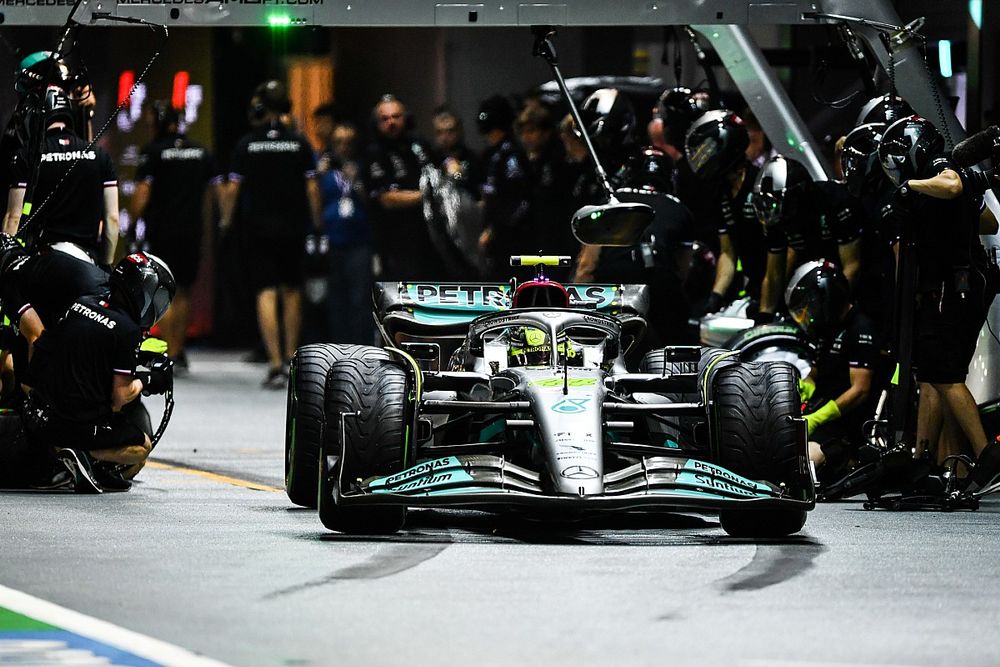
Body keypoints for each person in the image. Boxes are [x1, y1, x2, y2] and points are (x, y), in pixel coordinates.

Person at [877, 116, 1000, 490]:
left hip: (957, 287)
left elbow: (952, 185)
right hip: (955, 287)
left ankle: (987, 457)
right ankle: (923, 458)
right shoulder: (935, 188)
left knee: (945, 375)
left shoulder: (937, 171)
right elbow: (989, 222)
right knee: (930, 374)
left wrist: (910, 188)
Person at [25, 252, 176, 492]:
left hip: (37, 415)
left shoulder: (82, 302)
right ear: (141, 291)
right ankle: (81, 455)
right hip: (71, 425)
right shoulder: (127, 329)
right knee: (141, 446)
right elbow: (119, 396)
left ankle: (76, 461)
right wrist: (148, 379)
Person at [222, 80, 322, 388]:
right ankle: (293, 359)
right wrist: (317, 224)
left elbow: (232, 189)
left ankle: (276, 364)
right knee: (292, 290)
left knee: (265, 291)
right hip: (293, 227)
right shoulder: (300, 143)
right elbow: (312, 188)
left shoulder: (247, 144)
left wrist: (226, 222)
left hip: (258, 228)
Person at [131, 101, 223, 373]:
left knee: (164, 293)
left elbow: (142, 193)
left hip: (162, 232)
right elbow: (215, 189)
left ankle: (169, 353)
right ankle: (179, 350)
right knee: (184, 291)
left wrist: (131, 223)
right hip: (192, 231)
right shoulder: (200, 152)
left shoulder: (153, 152)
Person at [3, 85, 119, 267]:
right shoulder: (100, 156)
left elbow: (13, 218)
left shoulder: (27, 156)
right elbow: (112, 219)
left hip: (42, 264)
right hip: (87, 266)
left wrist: (7, 266)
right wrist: (106, 265)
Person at [786, 261, 880, 481]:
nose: (806, 315)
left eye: (808, 307)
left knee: (802, 456)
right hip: (816, 412)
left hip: (843, 422)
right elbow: (817, 370)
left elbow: (860, 390)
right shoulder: (827, 327)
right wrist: (805, 384)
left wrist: (819, 417)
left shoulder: (860, 328)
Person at [751, 155, 866, 316]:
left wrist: (829, 311)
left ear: (797, 198)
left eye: (778, 204)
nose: (772, 212)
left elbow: (852, 266)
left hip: (853, 284)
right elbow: (774, 274)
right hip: (811, 277)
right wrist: (764, 317)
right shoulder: (774, 218)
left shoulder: (837, 202)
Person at [685, 109, 769, 320]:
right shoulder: (721, 192)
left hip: (777, 290)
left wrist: (768, 308)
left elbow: (780, 254)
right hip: (753, 292)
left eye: (706, 150)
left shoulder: (762, 186)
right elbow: (728, 252)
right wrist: (716, 296)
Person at [361, 94, 439, 281]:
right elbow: (387, 199)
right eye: (385, 119)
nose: (391, 123)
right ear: (376, 123)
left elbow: (439, 170)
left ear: (406, 118)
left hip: (428, 235)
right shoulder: (374, 152)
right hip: (394, 240)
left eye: (396, 117)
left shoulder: (419, 144)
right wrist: (428, 196)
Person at [313, 107, 372, 345]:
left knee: (359, 299)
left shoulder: (363, 166)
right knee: (334, 299)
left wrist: (356, 181)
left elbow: (372, 202)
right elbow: (312, 199)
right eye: (339, 141)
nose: (344, 147)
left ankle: (361, 347)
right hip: (331, 239)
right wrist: (317, 176)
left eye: (348, 142)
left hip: (359, 241)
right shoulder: (322, 166)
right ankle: (337, 347)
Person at [477, 95, 532, 278]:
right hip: (495, 236)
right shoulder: (490, 154)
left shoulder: (511, 155)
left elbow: (519, 200)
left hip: (511, 239)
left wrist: (495, 229)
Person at [516, 104, 575, 269]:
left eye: (532, 131)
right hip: (534, 238)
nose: (526, 138)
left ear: (546, 132)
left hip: (557, 239)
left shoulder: (560, 161)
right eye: (523, 132)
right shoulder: (525, 161)